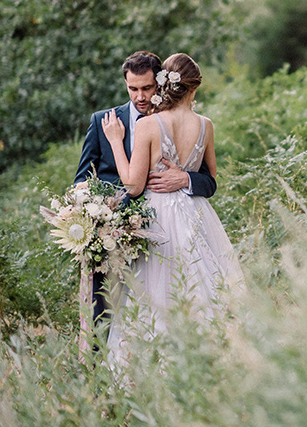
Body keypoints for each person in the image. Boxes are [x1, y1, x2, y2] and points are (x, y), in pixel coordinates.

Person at [100, 52, 243, 366]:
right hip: (196, 214)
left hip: (159, 217)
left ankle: (154, 367)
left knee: (154, 292)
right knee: (200, 285)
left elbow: (134, 185)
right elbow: (211, 178)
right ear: (193, 89)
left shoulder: (150, 125)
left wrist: (114, 141)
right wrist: (186, 179)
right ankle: (210, 358)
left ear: (163, 83)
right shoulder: (206, 125)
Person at [74, 51, 218, 337]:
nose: (140, 96)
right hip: (114, 233)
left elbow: (209, 180)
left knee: (165, 300)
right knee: (105, 310)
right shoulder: (104, 121)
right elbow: (82, 180)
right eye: (133, 89)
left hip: (168, 228)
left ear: (160, 83)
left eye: (147, 88)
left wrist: (185, 178)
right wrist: (96, 216)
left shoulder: (162, 122)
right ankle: (97, 373)